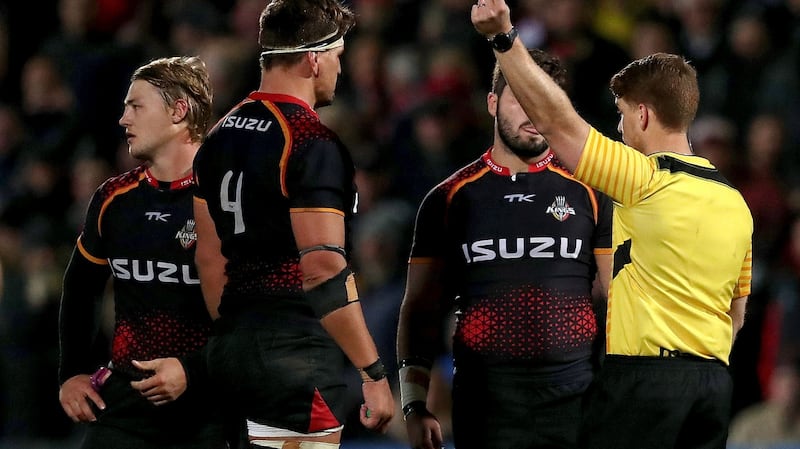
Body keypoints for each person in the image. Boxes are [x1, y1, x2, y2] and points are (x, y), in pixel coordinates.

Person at [471, 2, 753, 449]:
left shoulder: (641, 179)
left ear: (642, 115)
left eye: (621, 114)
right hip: (713, 386)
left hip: (644, 383)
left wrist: (504, 39)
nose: (619, 128)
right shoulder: (736, 203)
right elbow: (735, 315)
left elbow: (554, 121)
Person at [191, 1, 395, 448]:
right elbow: (322, 267)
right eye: (338, 57)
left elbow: (208, 258)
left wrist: (236, 339)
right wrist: (372, 372)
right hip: (293, 354)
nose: (340, 70)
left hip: (229, 351)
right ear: (315, 58)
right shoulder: (309, 140)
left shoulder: (218, 135)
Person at [396, 49, 613, 449]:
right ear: (492, 103)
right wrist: (413, 405)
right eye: (521, 98)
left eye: (544, 99)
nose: (534, 112)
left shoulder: (592, 192)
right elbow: (420, 308)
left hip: (579, 402)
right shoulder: (448, 198)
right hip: (485, 405)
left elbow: (617, 299)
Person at [57, 56, 230, 449]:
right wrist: (71, 372)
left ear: (178, 111)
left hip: (211, 407)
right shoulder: (113, 199)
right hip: (126, 408)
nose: (123, 119)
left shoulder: (227, 199)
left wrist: (193, 370)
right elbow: (80, 288)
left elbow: (255, 314)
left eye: (136, 106)